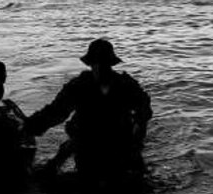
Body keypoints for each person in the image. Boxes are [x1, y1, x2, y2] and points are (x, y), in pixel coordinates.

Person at [25, 39, 152, 182]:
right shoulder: (79, 85)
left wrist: (137, 136)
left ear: (110, 64)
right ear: (91, 64)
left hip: (120, 143)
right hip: (87, 143)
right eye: (96, 63)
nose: (99, 67)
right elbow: (56, 111)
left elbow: (144, 111)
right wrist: (31, 125)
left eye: (103, 63)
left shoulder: (126, 85)